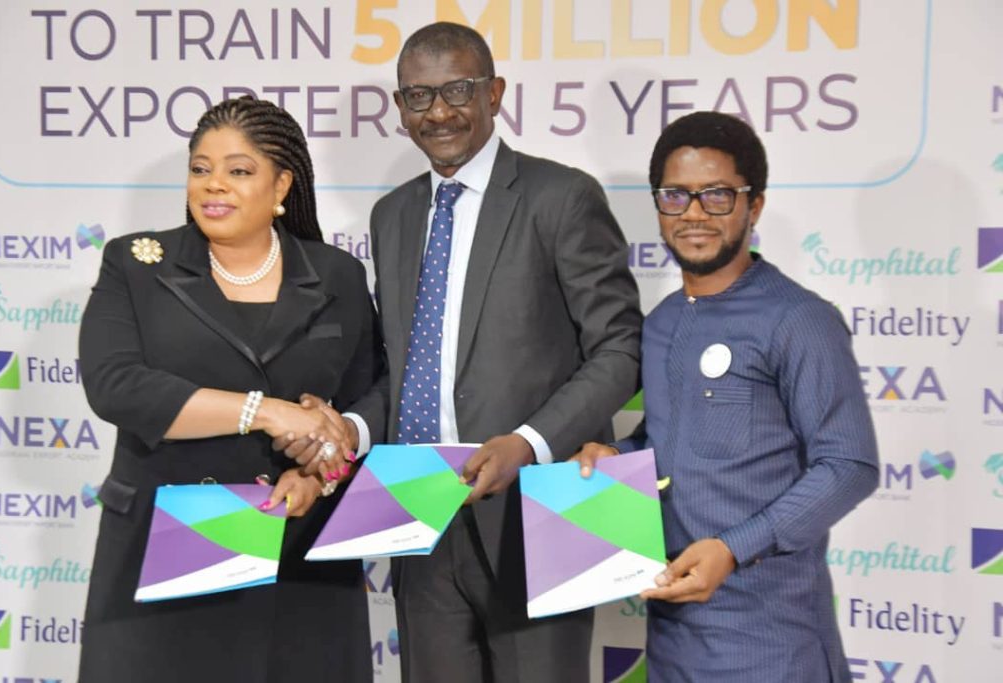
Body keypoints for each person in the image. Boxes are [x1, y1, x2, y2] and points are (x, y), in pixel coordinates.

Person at [281, 20, 642, 683]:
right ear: (399, 108)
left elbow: (620, 350)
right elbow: (404, 364)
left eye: (458, 90)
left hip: (545, 507)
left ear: (495, 93)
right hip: (416, 512)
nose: (439, 111)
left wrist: (528, 442)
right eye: (419, 96)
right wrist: (350, 427)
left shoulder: (561, 197)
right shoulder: (392, 215)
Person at [77, 96, 385, 682]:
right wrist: (265, 412)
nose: (214, 184)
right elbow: (116, 385)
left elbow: (368, 400)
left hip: (300, 556)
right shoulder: (137, 265)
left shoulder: (338, 274)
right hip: (160, 551)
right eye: (200, 168)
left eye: (239, 170)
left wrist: (321, 474)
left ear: (281, 186)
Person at [574, 111, 879, 682]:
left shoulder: (800, 319)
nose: (694, 214)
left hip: (770, 641)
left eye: (717, 196)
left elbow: (849, 464)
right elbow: (672, 439)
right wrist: (618, 457)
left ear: (753, 205)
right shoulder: (661, 323)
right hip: (671, 637)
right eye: (676, 196)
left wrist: (734, 548)